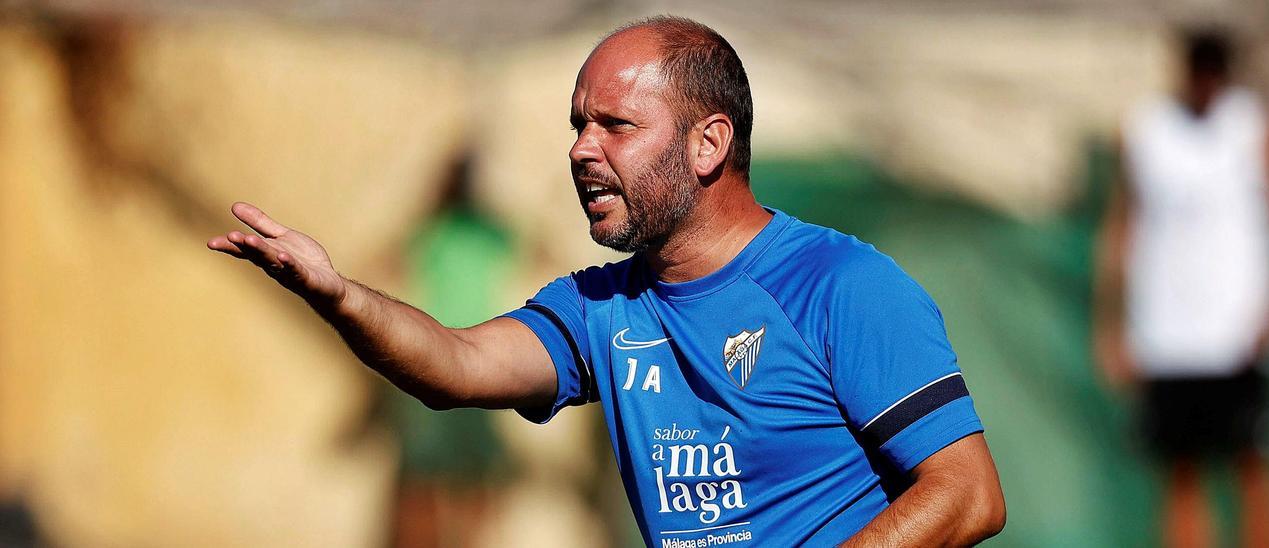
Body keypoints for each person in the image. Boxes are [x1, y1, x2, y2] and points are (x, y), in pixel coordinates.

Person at [208, 16, 1005, 546]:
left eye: (615, 125)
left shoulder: (842, 284)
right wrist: (340, 295)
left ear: (709, 144)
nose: (581, 149)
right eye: (577, 125)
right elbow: (455, 365)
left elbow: (968, 495)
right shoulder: (601, 307)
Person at [1094, 29, 1269, 548]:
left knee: (1249, 465)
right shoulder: (1146, 129)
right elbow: (1122, 226)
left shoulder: (1251, 125)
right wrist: (1111, 322)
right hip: (1166, 334)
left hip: (1233, 330)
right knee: (1180, 471)